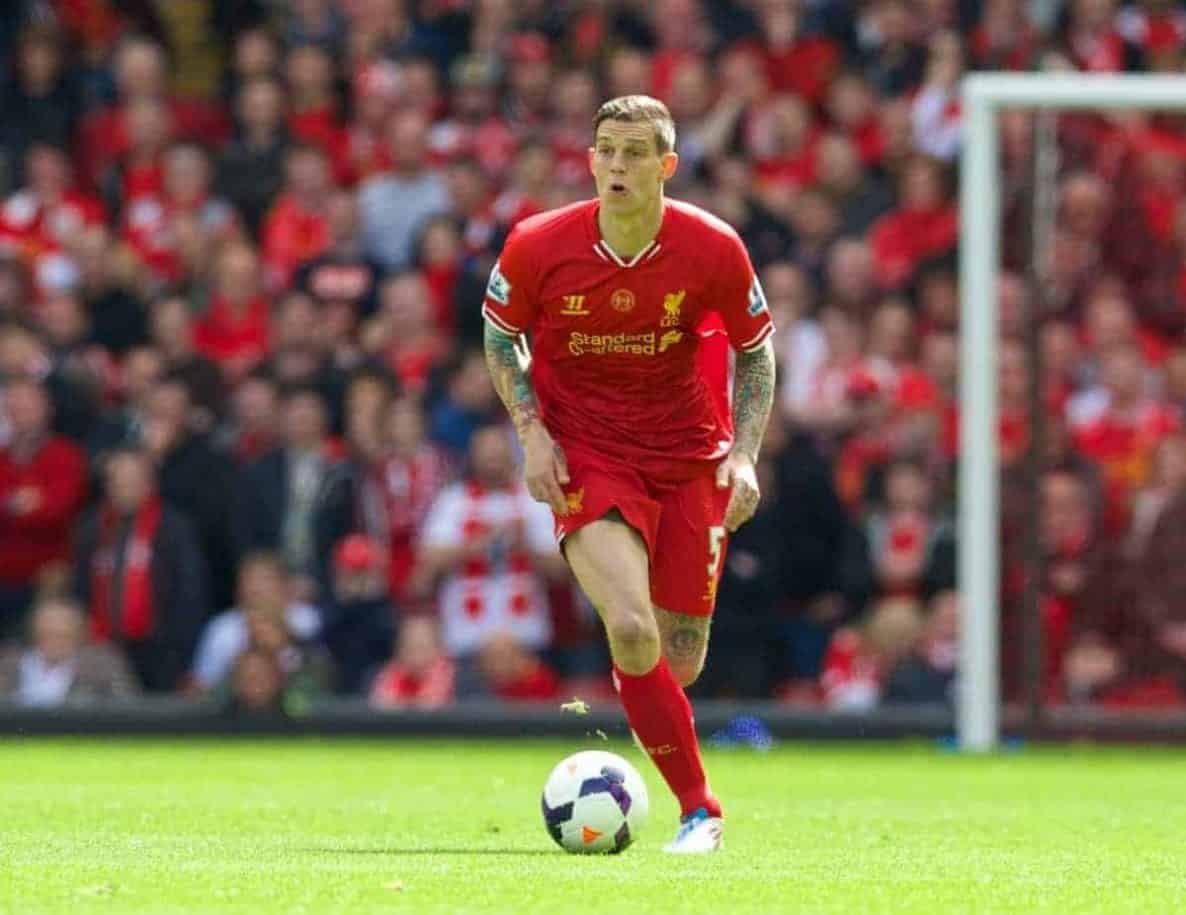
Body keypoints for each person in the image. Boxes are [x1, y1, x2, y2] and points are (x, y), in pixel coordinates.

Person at [481, 95, 776, 853]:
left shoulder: (712, 247)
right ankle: (699, 808)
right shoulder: (539, 245)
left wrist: (744, 453)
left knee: (680, 657)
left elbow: (756, 351)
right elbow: (499, 331)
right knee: (634, 626)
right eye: (606, 150)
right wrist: (531, 432)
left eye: (636, 152)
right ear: (590, 160)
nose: (617, 165)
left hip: (688, 454)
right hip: (588, 453)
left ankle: (641, 699)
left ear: (666, 166)